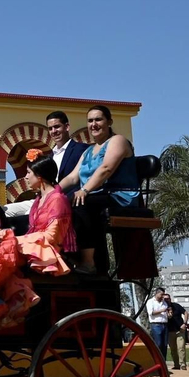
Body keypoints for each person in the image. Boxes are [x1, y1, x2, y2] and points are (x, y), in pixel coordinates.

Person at [66, 105, 139, 273]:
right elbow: (72, 177)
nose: (94, 124)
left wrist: (84, 190)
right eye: (90, 120)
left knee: (80, 202)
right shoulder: (88, 151)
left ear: (109, 121)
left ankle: (89, 262)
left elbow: (106, 169)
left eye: (98, 119)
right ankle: (69, 256)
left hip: (119, 195)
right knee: (62, 202)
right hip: (98, 195)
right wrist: (51, 193)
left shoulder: (118, 141)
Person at [2, 154, 75, 274]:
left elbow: (52, 236)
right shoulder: (39, 199)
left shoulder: (57, 199)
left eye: (28, 173)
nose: (25, 177)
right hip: (35, 245)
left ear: (39, 176)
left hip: (47, 252)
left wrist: (16, 240)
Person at [42, 110, 90, 188]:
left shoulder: (81, 149)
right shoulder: (50, 156)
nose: (53, 131)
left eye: (57, 126)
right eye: (50, 128)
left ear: (67, 127)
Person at [145, 287, 170, 357]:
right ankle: (157, 360)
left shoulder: (164, 303)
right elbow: (151, 313)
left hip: (165, 324)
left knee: (164, 345)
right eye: (161, 294)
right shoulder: (150, 302)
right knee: (158, 344)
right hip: (156, 325)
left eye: (163, 294)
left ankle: (163, 362)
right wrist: (162, 310)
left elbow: (167, 313)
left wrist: (169, 314)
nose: (162, 296)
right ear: (157, 293)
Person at [166, 295, 188, 371]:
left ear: (170, 299)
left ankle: (183, 364)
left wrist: (184, 323)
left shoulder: (176, 306)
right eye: (165, 299)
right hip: (169, 331)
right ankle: (176, 364)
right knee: (173, 349)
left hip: (180, 330)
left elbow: (186, 313)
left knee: (181, 347)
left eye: (168, 299)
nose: (167, 300)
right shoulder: (162, 308)